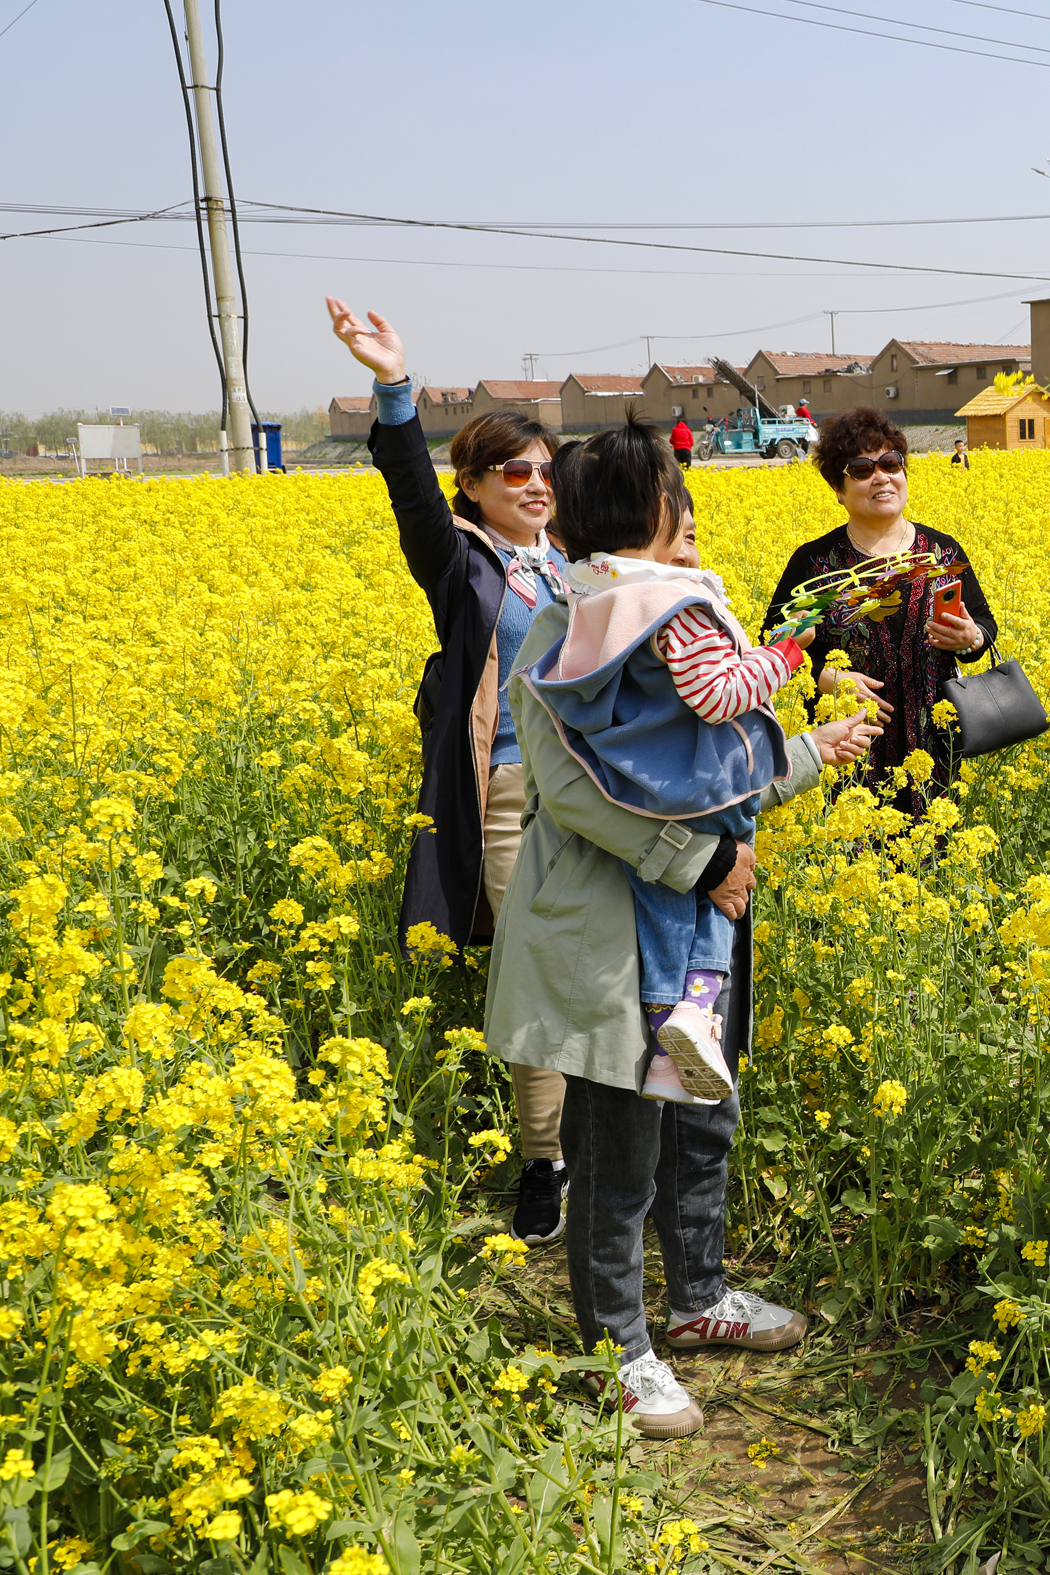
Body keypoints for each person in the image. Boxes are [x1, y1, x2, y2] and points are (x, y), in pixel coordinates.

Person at [489, 446, 878, 1439]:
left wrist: (806, 753)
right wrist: (699, 864)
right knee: (617, 1149)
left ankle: (698, 1294)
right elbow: (575, 794)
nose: (695, 532)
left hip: (696, 934)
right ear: (629, 517)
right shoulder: (561, 632)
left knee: (700, 1115)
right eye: (683, 516)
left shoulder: (655, 618)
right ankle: (616, 1350)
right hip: (618, 937)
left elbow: (700, 768)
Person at [327, 295, 574, 1249]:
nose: (536, 485)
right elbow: (409, 493)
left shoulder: (577, 562)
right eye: (516, 471)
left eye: (546, 471)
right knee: (534, 969)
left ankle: (622, 1135)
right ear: (473, 484)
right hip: (512, 791)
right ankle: (543, 1158)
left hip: (601, 795)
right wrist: (394, 384)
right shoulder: (460, 561)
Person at [522, 422, 813, 1107]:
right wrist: (782, 659)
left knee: (663, 911)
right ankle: (696, 1010)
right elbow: (715, 696)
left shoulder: (589, 594)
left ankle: (667, 1045)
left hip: (635, 787)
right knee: (718, 893)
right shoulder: (670, 603)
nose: (687, 521)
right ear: (651, 513)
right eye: (675, 504)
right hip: (693, 794)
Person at [761, 408, 998, 821]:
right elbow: (774, 642)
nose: (882, 477)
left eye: (891, 464)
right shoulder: (816, 564)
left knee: (932, 863)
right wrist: (826, 677)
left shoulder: (941, 552)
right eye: (862, 469)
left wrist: (971, 638)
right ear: (838, 488)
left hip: (934, 747)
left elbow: (983, 625)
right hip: (848, 746)